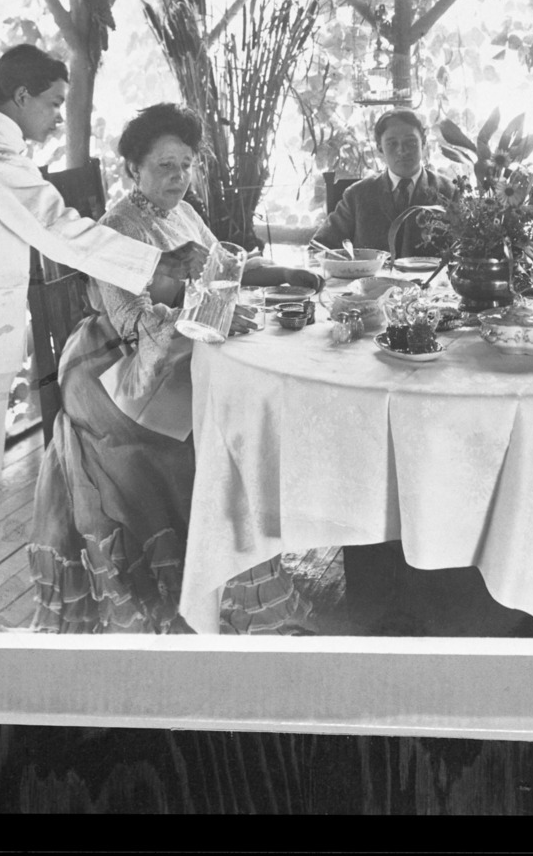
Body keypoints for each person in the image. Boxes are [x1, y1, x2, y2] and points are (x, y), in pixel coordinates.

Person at [0, 45, 186, 635]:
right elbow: (56, 227)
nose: (58, 116)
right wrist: (153, 265)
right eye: (54, 102)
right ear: (22, 96)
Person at [28, 102, 322, 634]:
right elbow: (129, 321)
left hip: (176, 348)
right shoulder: (117, 226)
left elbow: (220, 270)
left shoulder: (182, 211)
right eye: (165, 166)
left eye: (185, 165)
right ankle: (209, 585)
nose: (178, 177)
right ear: (132, 170)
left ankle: (229, 573)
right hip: (113, 369)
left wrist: (284, 273)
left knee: (248, 405)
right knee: (223, 426)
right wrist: (195, 301)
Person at [315, 109, 457, 254]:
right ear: (379, 147)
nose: (402, 151)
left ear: (424, 142)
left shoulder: (450, 192)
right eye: (392, 144)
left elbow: (467, 250)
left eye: (411, 142)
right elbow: (319, 247)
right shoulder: (357, 195)